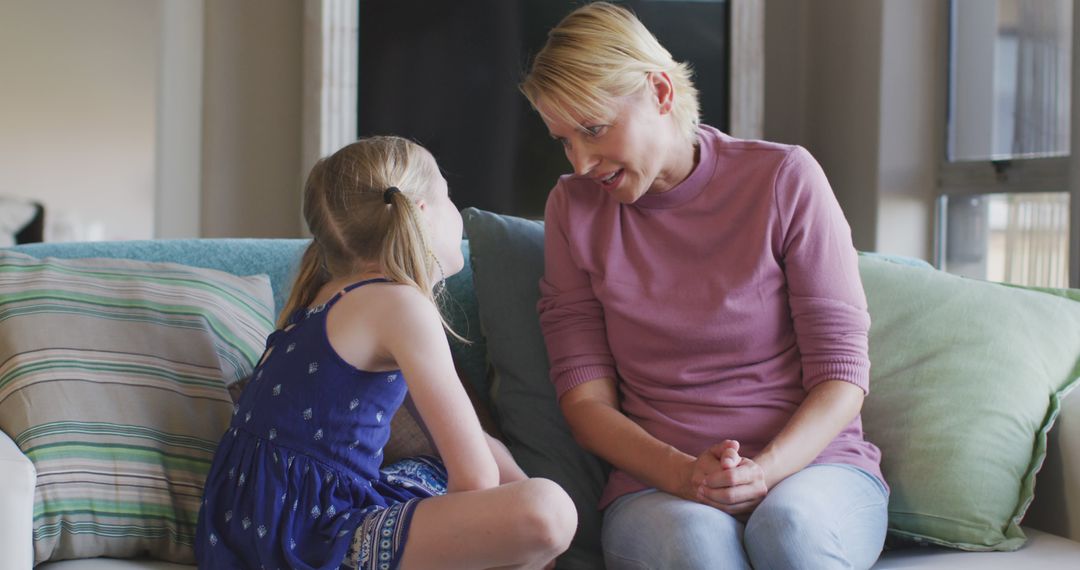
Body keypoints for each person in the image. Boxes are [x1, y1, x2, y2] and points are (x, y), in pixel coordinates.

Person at [520, 3, 889, 569]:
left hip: (815, 470)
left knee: (789, 529)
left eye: (594, 129)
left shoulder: (784, 178)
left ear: (661, 92)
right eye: (564, 140)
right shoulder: (573, 209)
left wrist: (762, 472)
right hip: (657, 486)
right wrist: (684, 474)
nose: (583, 161)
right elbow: (585, 401)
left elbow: (842, 376)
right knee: (696, 549)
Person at [195, 136, 576, 570]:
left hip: (253, 531)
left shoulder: (327, 296)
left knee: (433, 472)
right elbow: (476, 478)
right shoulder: (401, 305)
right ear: (420, 211)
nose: (458, 214)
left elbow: (473, 443)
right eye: (448, 197)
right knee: (550, 510)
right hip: (307, 539)